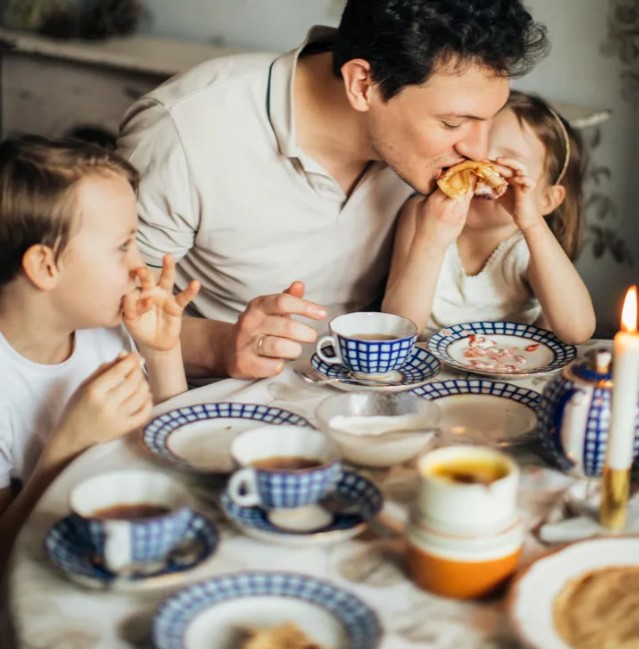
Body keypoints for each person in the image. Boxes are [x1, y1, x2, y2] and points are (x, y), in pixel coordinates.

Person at [118, 0, 548, 380]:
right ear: (362, 84)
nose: (477, 150)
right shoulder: (185, 130)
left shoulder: (430, 153)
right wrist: (222, 346)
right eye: (452, 124)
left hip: (375, 389)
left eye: (488, 119)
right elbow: (108, 317)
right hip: (224, 403)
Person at [0, 135, 199, 570]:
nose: (141, 268)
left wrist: (162, 353)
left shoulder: (101, 328)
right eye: (123, 246)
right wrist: (69, 444)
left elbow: (175, 457)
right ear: (45, 267)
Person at [381, 90, 596, 343]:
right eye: (475, 155)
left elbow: (577, 330)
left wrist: (532, 224)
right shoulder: (423, 215)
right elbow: (397, 331)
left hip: (512, 362)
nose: (482, 170)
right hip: (430, 362)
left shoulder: (529, 245)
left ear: (546, 200)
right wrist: (430, 244)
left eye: (507, 164)